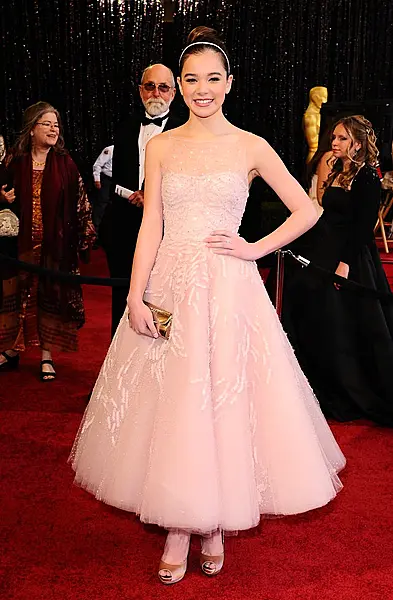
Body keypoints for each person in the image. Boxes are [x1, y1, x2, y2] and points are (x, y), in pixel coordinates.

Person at [70, 27, 345, 585]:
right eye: (190, 80)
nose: (201, 89)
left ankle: (213, 522)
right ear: (179, 86)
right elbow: (150, 227)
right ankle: (179, 525)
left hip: (228, 286)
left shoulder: (249, 145)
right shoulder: (163, 146)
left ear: (229, 84)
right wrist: (135, 293)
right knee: (173, 403)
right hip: (171, 281)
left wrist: (254, 248)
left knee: (221, 403)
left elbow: (306, 210)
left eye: (212, 79)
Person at [281, 115, 393, 425]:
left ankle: (348, 388)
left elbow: (362, 227)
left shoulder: (368, 177)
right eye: (334, 137)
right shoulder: (335, 168)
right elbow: (322, 206)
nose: (334, 142)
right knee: (310, 309)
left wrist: (345, 264)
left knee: (346, 323)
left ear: (357, 144)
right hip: (322, 246)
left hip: (350, 254)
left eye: (342, 138)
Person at [0, 101, 95, 380]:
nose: (54, 129)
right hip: (17, 247)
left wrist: (84, 235)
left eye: (56, 124)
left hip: (55, 248)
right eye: (47, 124)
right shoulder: (14, 162)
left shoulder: (65, 163)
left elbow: (81, 202)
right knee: (15, 298)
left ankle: (46, 356)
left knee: (49, 299)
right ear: (32, 129)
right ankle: (11, 350)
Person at [102, 63, 181, 338]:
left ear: (174, 92)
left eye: (163, 87)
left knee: (162, 293)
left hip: (167, 227)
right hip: (124, 225)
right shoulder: (124, 127)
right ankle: (118, 352)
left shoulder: (187, 129)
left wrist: (152, 195)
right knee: (122, 294)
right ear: (140, 90)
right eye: (149, 86)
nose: (155, 93)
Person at [92, 144, 113, 233]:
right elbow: (97, 165)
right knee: (102, 205)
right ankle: (95, 231)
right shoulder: (109, 149)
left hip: (117, 181)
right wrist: (97, 179)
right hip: (106, 180)